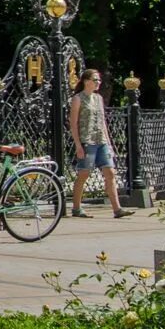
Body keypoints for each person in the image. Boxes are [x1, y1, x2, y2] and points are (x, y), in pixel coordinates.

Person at [68, 69, 133, 218]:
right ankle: (76, 208)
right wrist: (78, 145)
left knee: (110, 172)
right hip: (87, 140)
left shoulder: (98, 98)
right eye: (95, 80)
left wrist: (109, 143)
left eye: (99, 80)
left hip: (100, 140)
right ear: (86, 81)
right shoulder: (78, 98)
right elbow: (73, 122)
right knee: (84, 173)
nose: (98, 83)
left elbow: (103, 122)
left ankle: (117, 209)